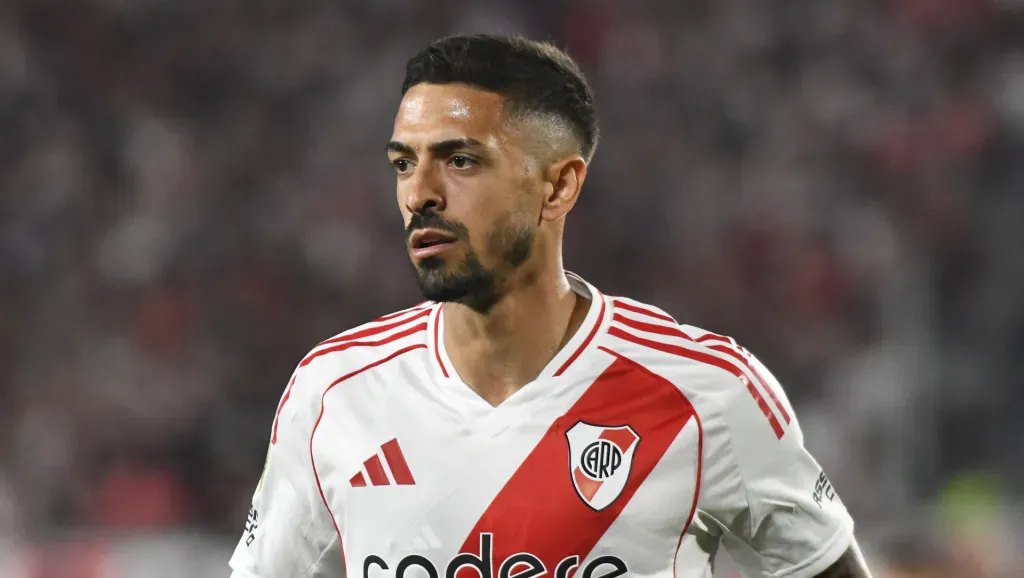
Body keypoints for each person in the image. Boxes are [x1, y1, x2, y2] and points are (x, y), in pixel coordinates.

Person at [228, 34, 873, 578]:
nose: (419, 193)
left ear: (559, 186)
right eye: (403, 163)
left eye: (460, 160)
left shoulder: (706, 392)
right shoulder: (334, 392)